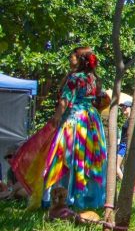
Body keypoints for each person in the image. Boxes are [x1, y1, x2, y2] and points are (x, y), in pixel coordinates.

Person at [41, 46, 109, 218]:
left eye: (72, 56)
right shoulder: (94, 78)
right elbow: (102, 99)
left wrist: (57, 116)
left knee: (66, 156)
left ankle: (65, 198)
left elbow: (65, 100)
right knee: (87, 158)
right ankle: (87, 198)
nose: (70, 58)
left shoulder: (75, 78)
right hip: (92, 121)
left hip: (76, 121)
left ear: (80, 59)